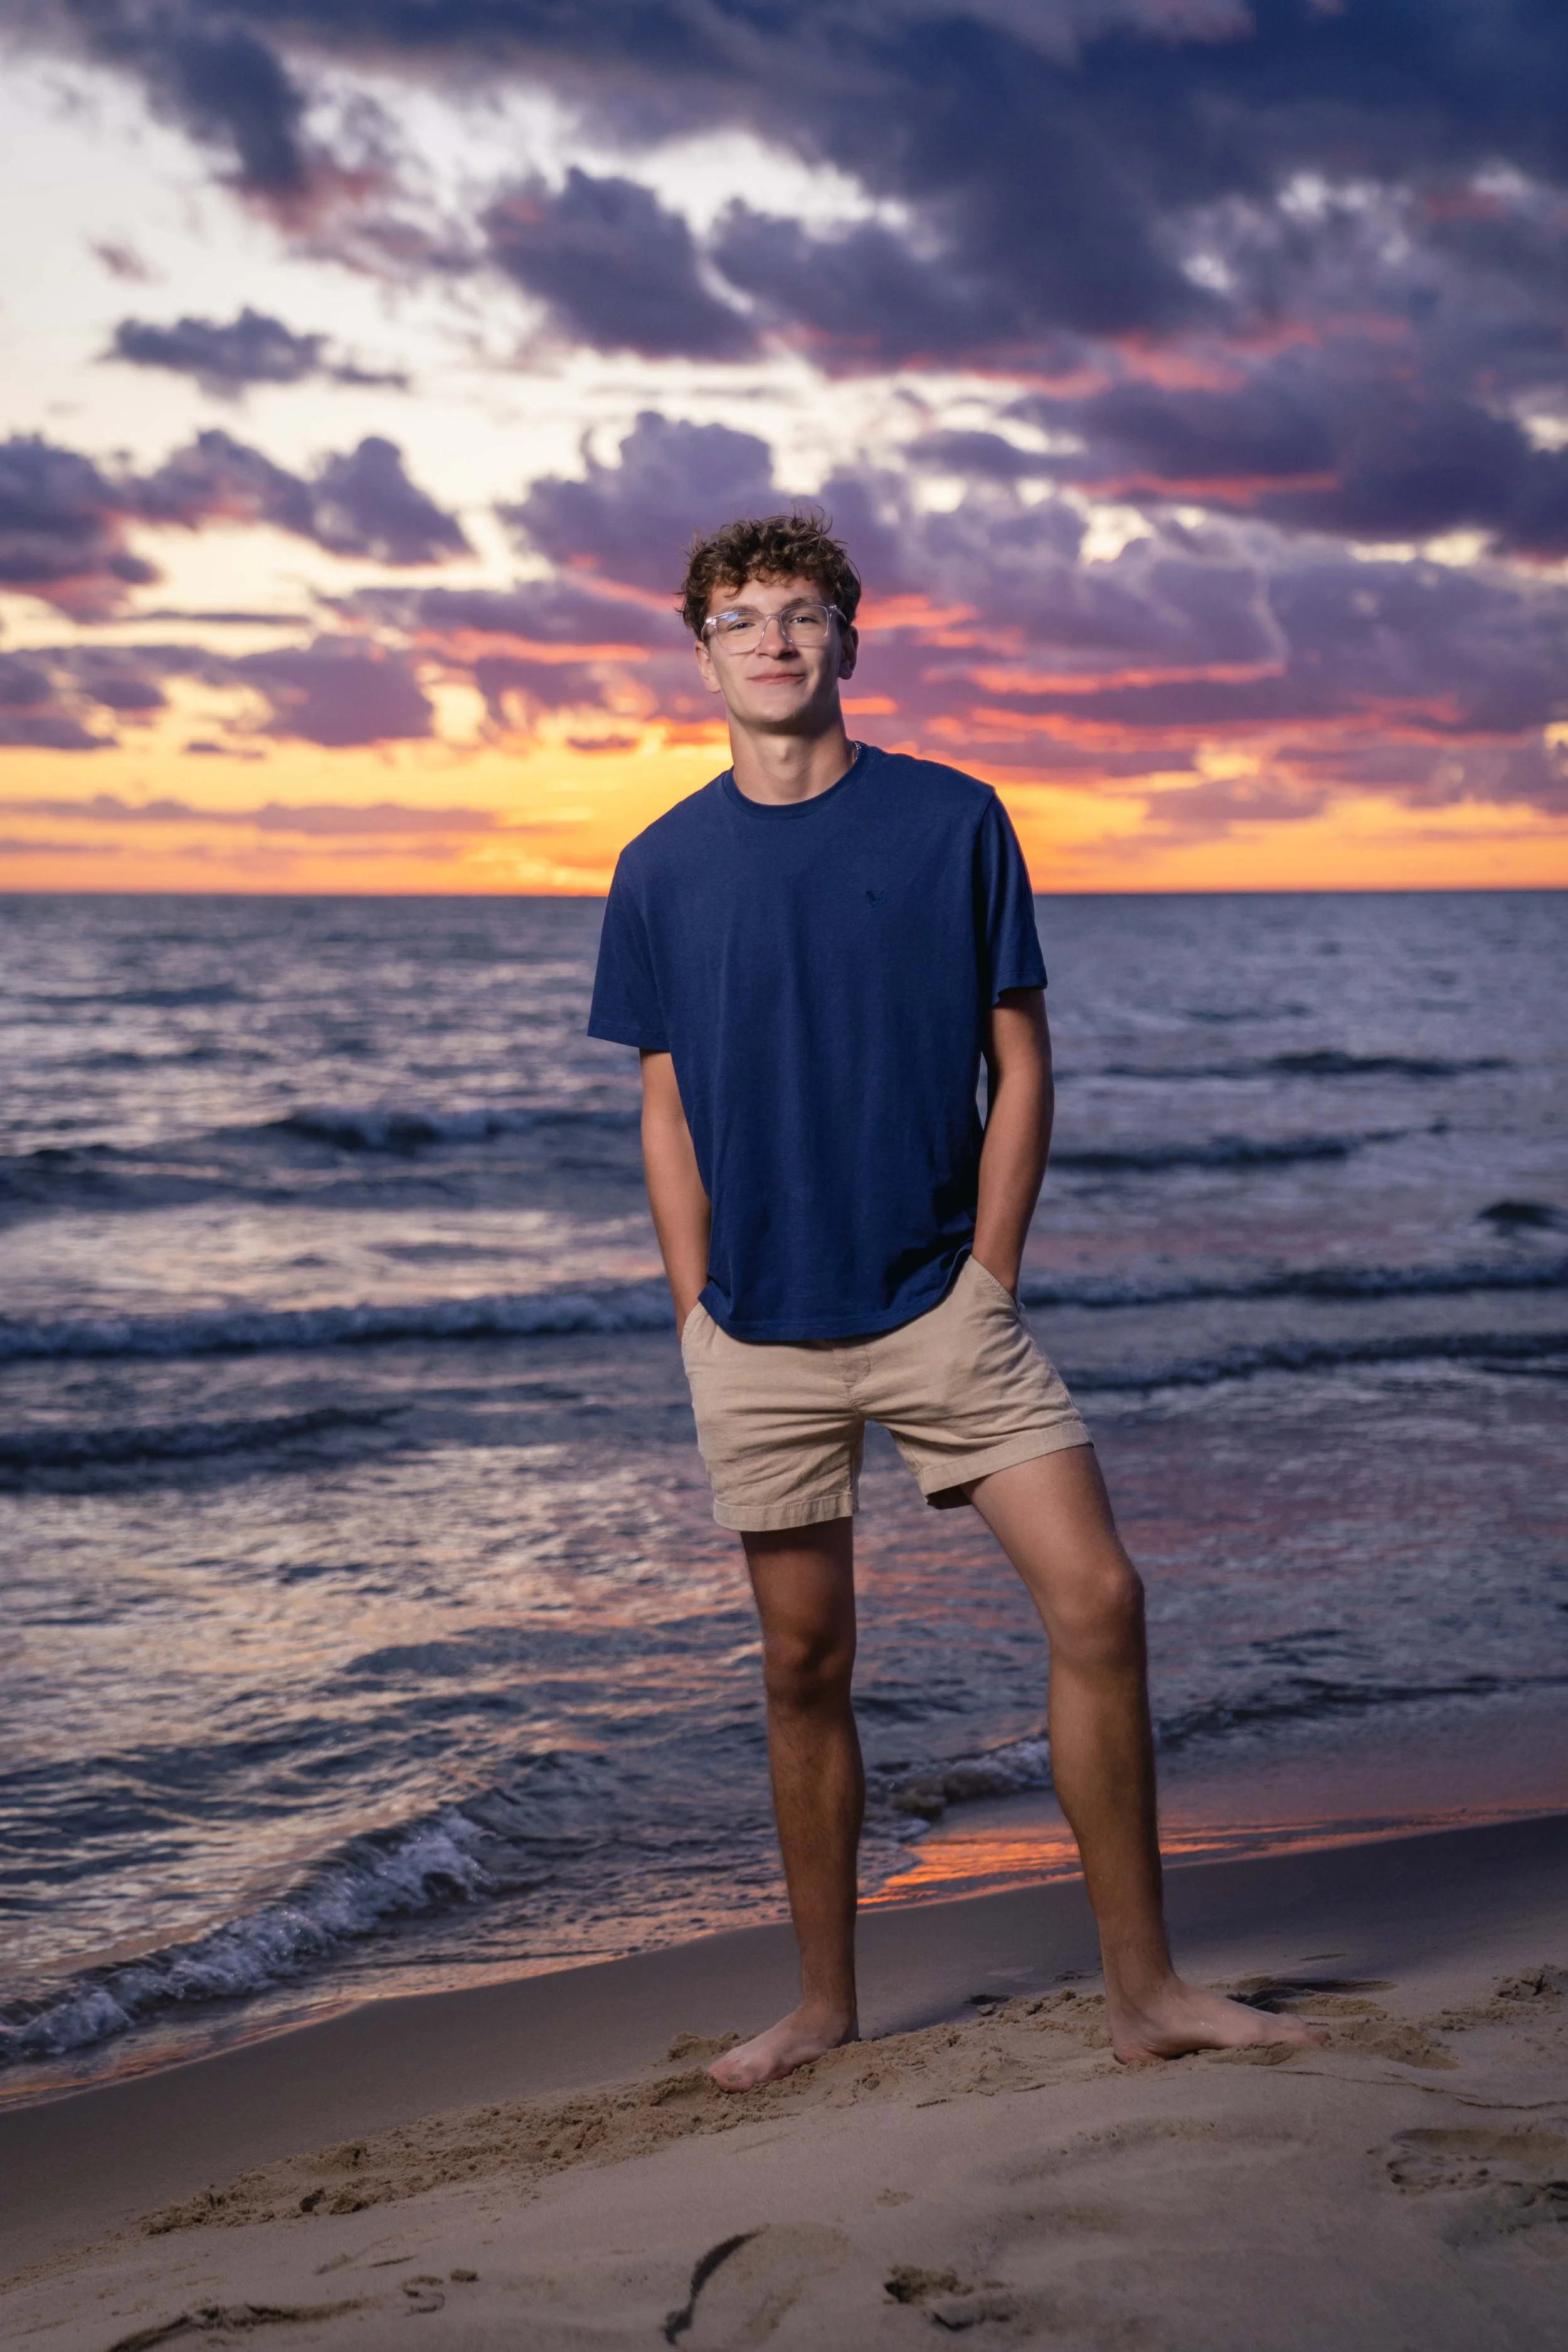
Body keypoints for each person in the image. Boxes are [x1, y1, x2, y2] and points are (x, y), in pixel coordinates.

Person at [588, 511, 1320, 2092]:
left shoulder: (954, 823)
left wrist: (989, 1274)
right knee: (803, 1664)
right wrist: (691, 1303)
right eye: (739, 615)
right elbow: (663, 1098)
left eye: (802, 612)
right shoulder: (656, 867)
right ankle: (824, 2005)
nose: (772, 638)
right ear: (697, 647)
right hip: (757, 1326)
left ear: (851, 641)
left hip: (941, 1306)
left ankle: (1145, 1992)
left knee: (1100, 1601)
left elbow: (1022, 1059)